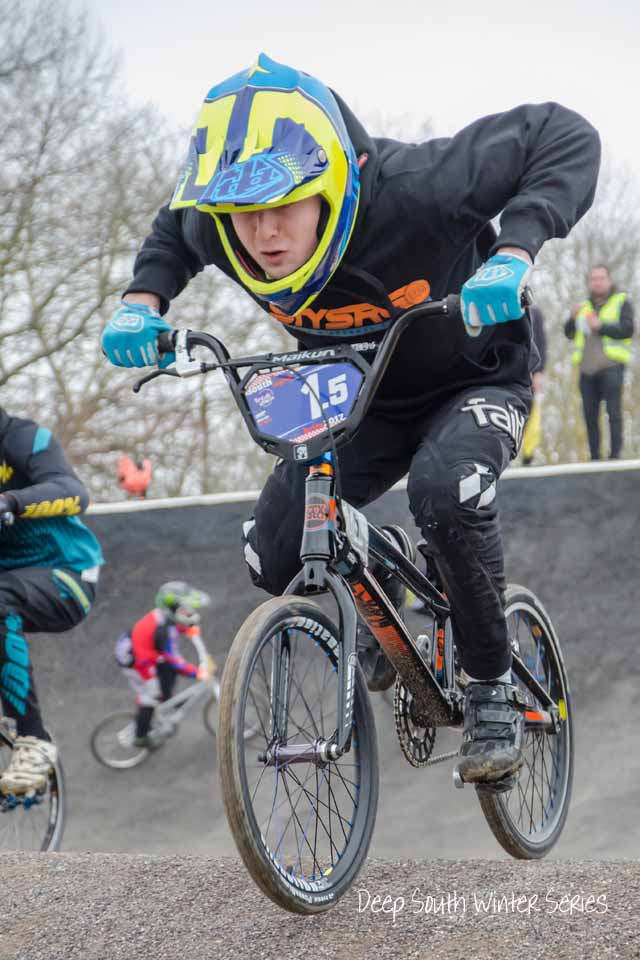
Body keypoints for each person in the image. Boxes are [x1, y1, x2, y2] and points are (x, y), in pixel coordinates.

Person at [101, 54, 600, 785]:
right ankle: (385, 569)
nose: (263, 233)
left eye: (284, 205)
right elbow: (176, 230)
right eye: (243, 213)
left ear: (333, 184)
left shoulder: (419, 189)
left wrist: (515, 252)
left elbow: (562, 132)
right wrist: (142, 301)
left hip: (476, 378)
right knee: (272, 553)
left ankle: (492, 687)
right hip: (353, 393)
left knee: (446, 491)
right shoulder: (222, 228)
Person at [0, 410, 103, 795]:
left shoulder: (22, 438)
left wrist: (11, 501)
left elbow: (73, 491)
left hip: (67, 575)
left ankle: (33, 737)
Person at [116, 581, 211, 747]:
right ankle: (140, 736)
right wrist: (197, 673)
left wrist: (187, 628)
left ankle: (166, 699)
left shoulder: (163, 616)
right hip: (135, 661)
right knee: (150, 695)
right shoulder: (163, 631)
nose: (187, 611)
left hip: (144, 651)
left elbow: (178, 626)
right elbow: (175, 660)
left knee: (167, 673)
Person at [564, 264, 634, 460]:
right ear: (589, 282)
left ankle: (615, 456)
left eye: (601, 278)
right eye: (593, 279)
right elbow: (569, 334)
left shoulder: (621, 301)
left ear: (609, 280)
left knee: (614, 412)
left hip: (612, 366)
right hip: (586, 369)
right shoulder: (583, 306)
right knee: (589, 415)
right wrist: (572, 318)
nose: (597, 282)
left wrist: (600, 326)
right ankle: (594, 457)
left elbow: (627, 329)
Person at [521, 305, 547, 465]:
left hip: (530, 374)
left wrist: (538, 372)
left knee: (532, 416)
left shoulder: (535, 313)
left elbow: (541, 344)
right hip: (509, 373)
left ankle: (528, 456)